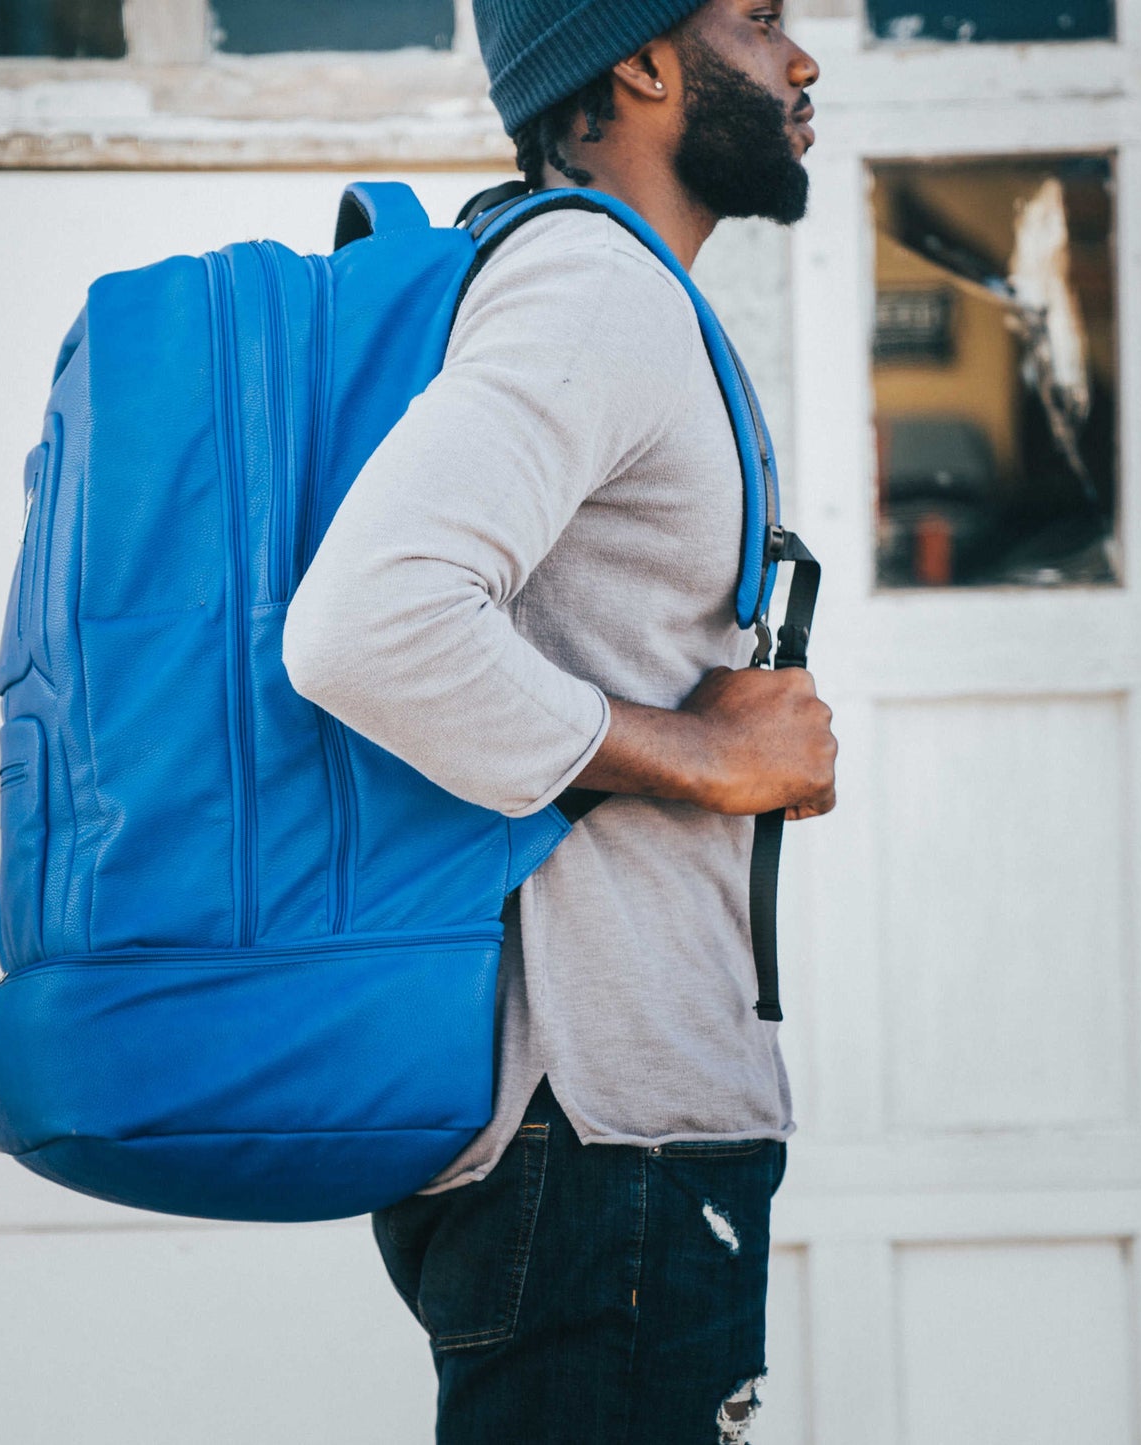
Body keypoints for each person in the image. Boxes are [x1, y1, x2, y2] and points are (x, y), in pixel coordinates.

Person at [282, 1, 835, 1439]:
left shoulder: (582, 279)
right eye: (760, 18)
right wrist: (705, 755)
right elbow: (368, 622)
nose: (801, 60)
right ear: (639, 62)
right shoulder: (593, 287)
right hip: (597, 1140)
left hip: (593, 1134)